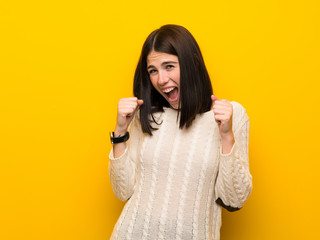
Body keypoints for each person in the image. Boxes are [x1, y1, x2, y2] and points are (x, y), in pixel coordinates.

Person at [108, 24, 252, 240]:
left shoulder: (231, 115)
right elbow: (123, 191)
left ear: (192, 62)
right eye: (153, 71)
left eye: (169, 66)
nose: (161, 80)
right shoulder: (144, 116)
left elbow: (235, 198)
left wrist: (226, 137)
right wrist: (120, 132)